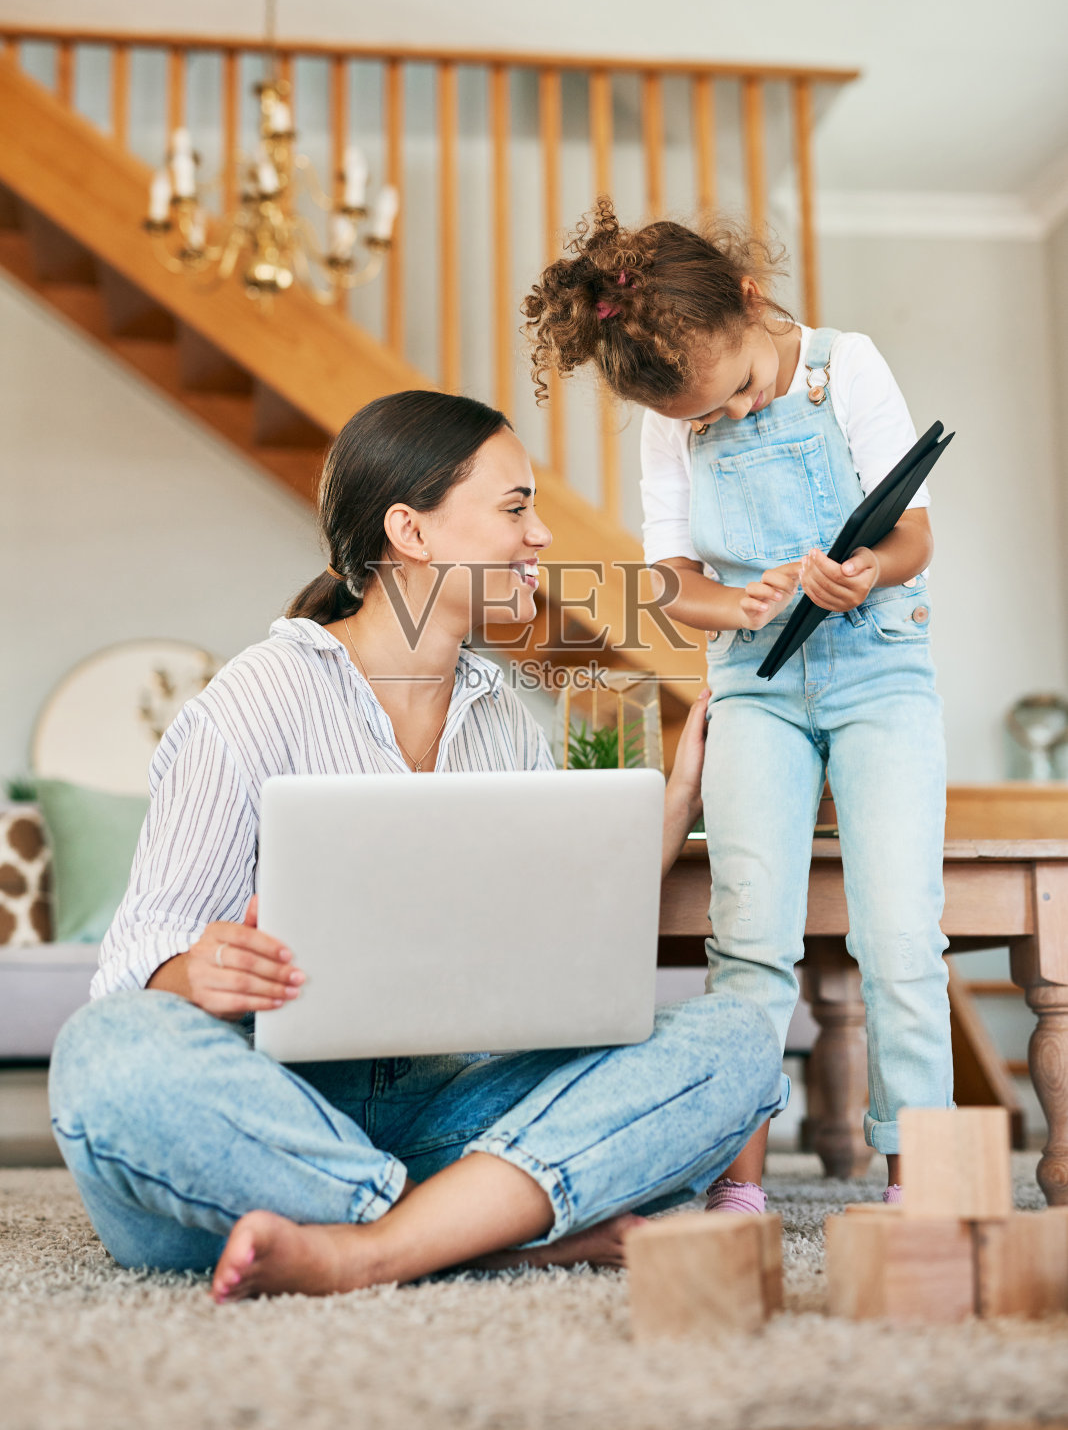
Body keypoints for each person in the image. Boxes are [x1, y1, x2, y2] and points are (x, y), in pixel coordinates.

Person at [49, 389, 785, 1300]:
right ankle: (477, 1230)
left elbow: (558, 940)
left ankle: (370, 1246)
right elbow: (133, 970)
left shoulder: (504, 721)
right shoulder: (251, 704)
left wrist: (674, 804)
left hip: (442, 1107)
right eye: (515, 507)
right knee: (107, 1055)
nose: (541, 535)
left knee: (736, 1041)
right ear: (412, 531)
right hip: (263, 1115)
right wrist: (192, 973)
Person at [523, 200, 952, 1210]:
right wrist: (736, 600)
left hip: (880, 672)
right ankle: (739, 1183)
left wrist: (867, 572)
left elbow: (916, 538)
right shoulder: (672, 424)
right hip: (753, 687)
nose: (737, 417)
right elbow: (671, 577)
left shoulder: (845, 366)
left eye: (745, 391)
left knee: (899, 938)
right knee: (749, 938)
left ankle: (922, 1184)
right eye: (705, 419)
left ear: (750, 302)